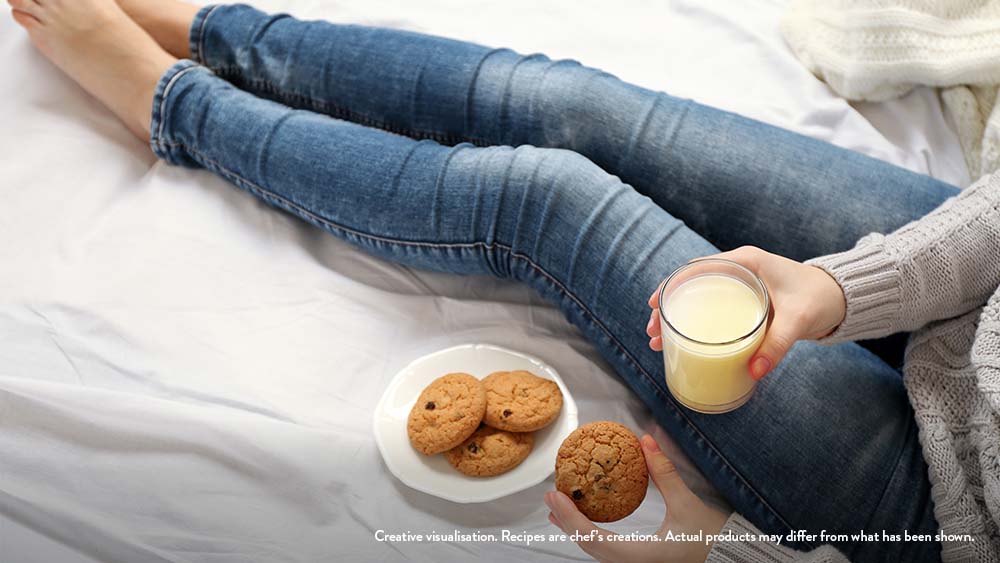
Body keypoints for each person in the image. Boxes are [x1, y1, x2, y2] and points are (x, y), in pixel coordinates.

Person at [8, 1, 998, 561]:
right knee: (571, 102)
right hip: (975, 268)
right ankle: (215, 29)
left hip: (935, 506)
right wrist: (855, 285)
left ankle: (173, 106)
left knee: (545, 199)